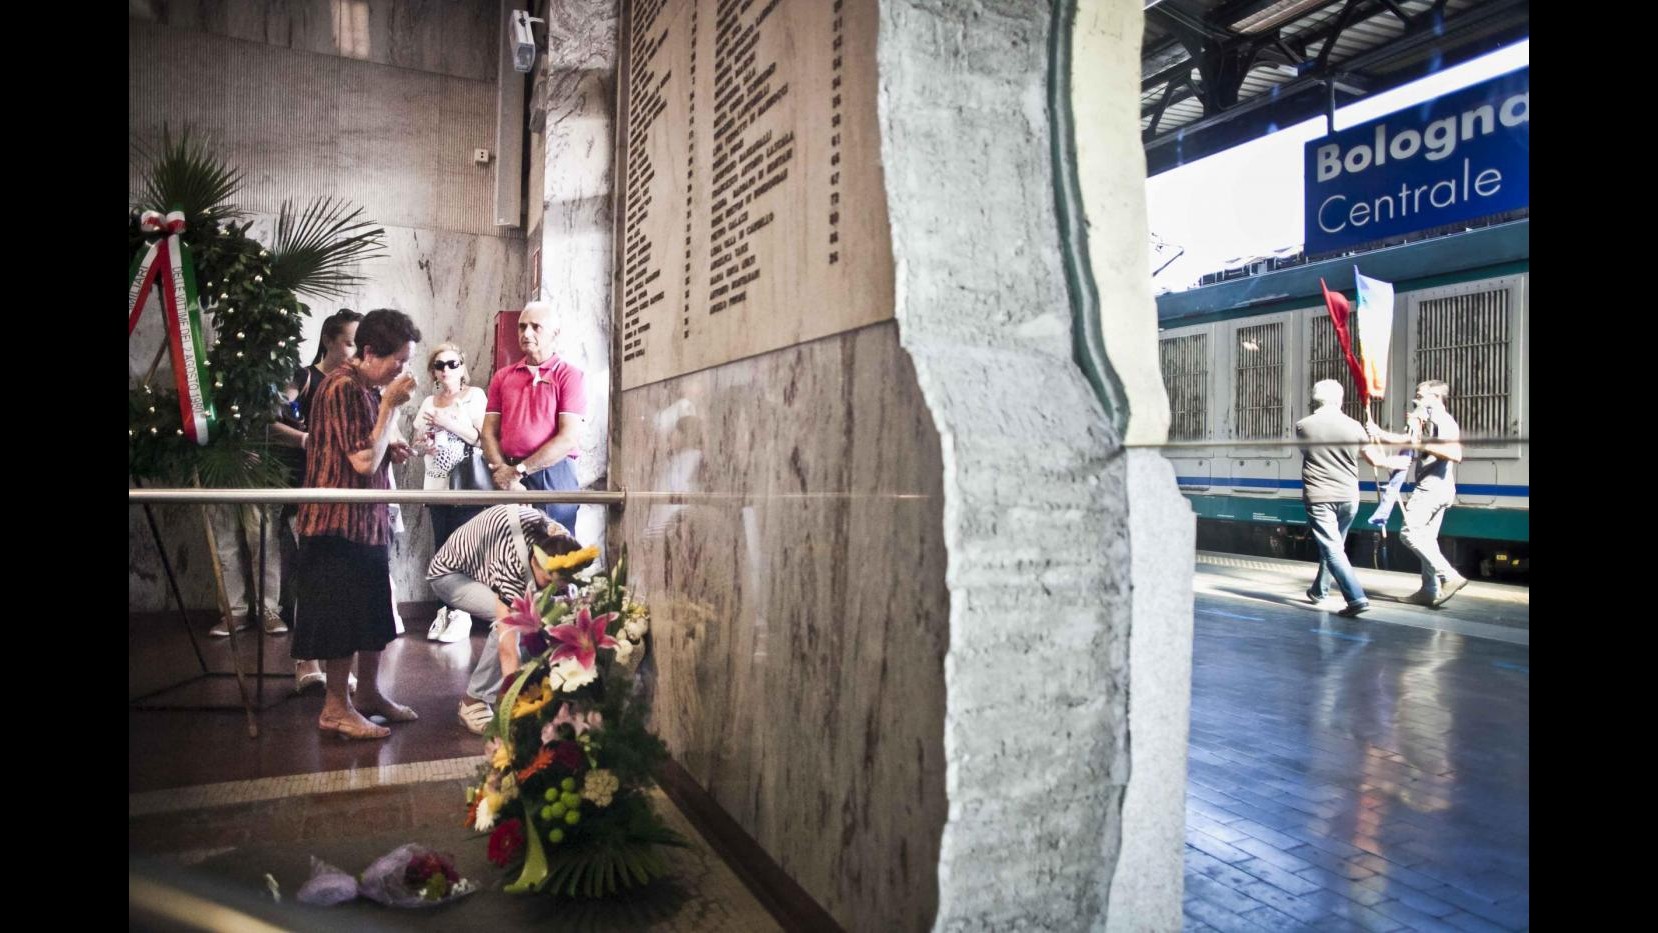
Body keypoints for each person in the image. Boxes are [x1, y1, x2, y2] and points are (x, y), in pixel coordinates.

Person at [293, 308, 421, 740]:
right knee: (340, 621)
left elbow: (372, 447)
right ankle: (335, 708)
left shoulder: (367, 386)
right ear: (369, 352)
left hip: (365, 522)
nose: (403, 372)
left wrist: (391, 444)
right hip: (336, 525)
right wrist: (389, 408)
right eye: (398, 362)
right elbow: (363, 462)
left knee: (371, 614)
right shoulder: (343, 387)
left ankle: (367, 694)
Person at [266, 309, 361, 691]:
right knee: (310, 573)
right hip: (305, 486)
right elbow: (270, 418)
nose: (356, 350)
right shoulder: (305, 377)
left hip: (342, 488)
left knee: (336, 578)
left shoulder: (355, 383)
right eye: (350, 341)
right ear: (329, 341)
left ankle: (334, 664)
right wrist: (305, 439)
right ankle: (306, 660)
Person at [426, 506, 577, 734]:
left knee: (539, 614)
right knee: (517, 621)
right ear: (534, 560)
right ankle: (473, 701)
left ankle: (529, 687)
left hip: (486, 564)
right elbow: (508, 645)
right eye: (547, 581)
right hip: (451, 575)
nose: (551, 589)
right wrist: (516, 714)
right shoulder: (514, 562)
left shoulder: (560, 540)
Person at [480, 301, 588, 537]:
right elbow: (487, 432)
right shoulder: (503, 377)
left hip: (553, 473)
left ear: (555, 333)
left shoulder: (568, 375)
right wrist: (503, 473)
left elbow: (568, 438)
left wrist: (518, 472)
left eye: (535, 327)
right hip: (508, 471)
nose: (526, 333)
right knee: (512, 552)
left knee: (555, 555)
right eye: (522, 327)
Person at [411, 343, 489, 643]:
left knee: (463, 549)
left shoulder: (475, 397)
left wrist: (449, 423)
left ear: (462, 366)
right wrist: (424, 445)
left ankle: (462, 612)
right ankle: (444, 608)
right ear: (433, 371)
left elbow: (481, 439)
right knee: (441, 549)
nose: (446, 370)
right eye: (440, 365)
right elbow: (417, 444)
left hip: (466, 484)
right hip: (436, 483)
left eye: (452, 364)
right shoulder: (429, 402)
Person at [1367, 379, 1469, 607]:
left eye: (1420, 396)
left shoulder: (1443, 420)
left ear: (1435, 398)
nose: (1416, 399)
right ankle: (1429, 589)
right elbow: (1409, 440)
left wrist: (1421, 444)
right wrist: (1379, 432)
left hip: (1432, 488)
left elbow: (1455, 453)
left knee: (1408, 533)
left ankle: (1449, 576)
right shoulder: (1429, 420)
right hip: (1439, 488)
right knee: (1427, 540)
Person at [1295, 380, 1373, 618]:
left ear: (1315, 399)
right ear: (1339, 399)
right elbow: (1369, 455)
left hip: (1319, 495)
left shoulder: (1303, 426)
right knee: (1334, 546)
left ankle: (1356, 598)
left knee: (1332, 549)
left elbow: (1307, 452)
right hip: (1349, 496)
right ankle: (1319, 591)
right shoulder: (1355, 426)